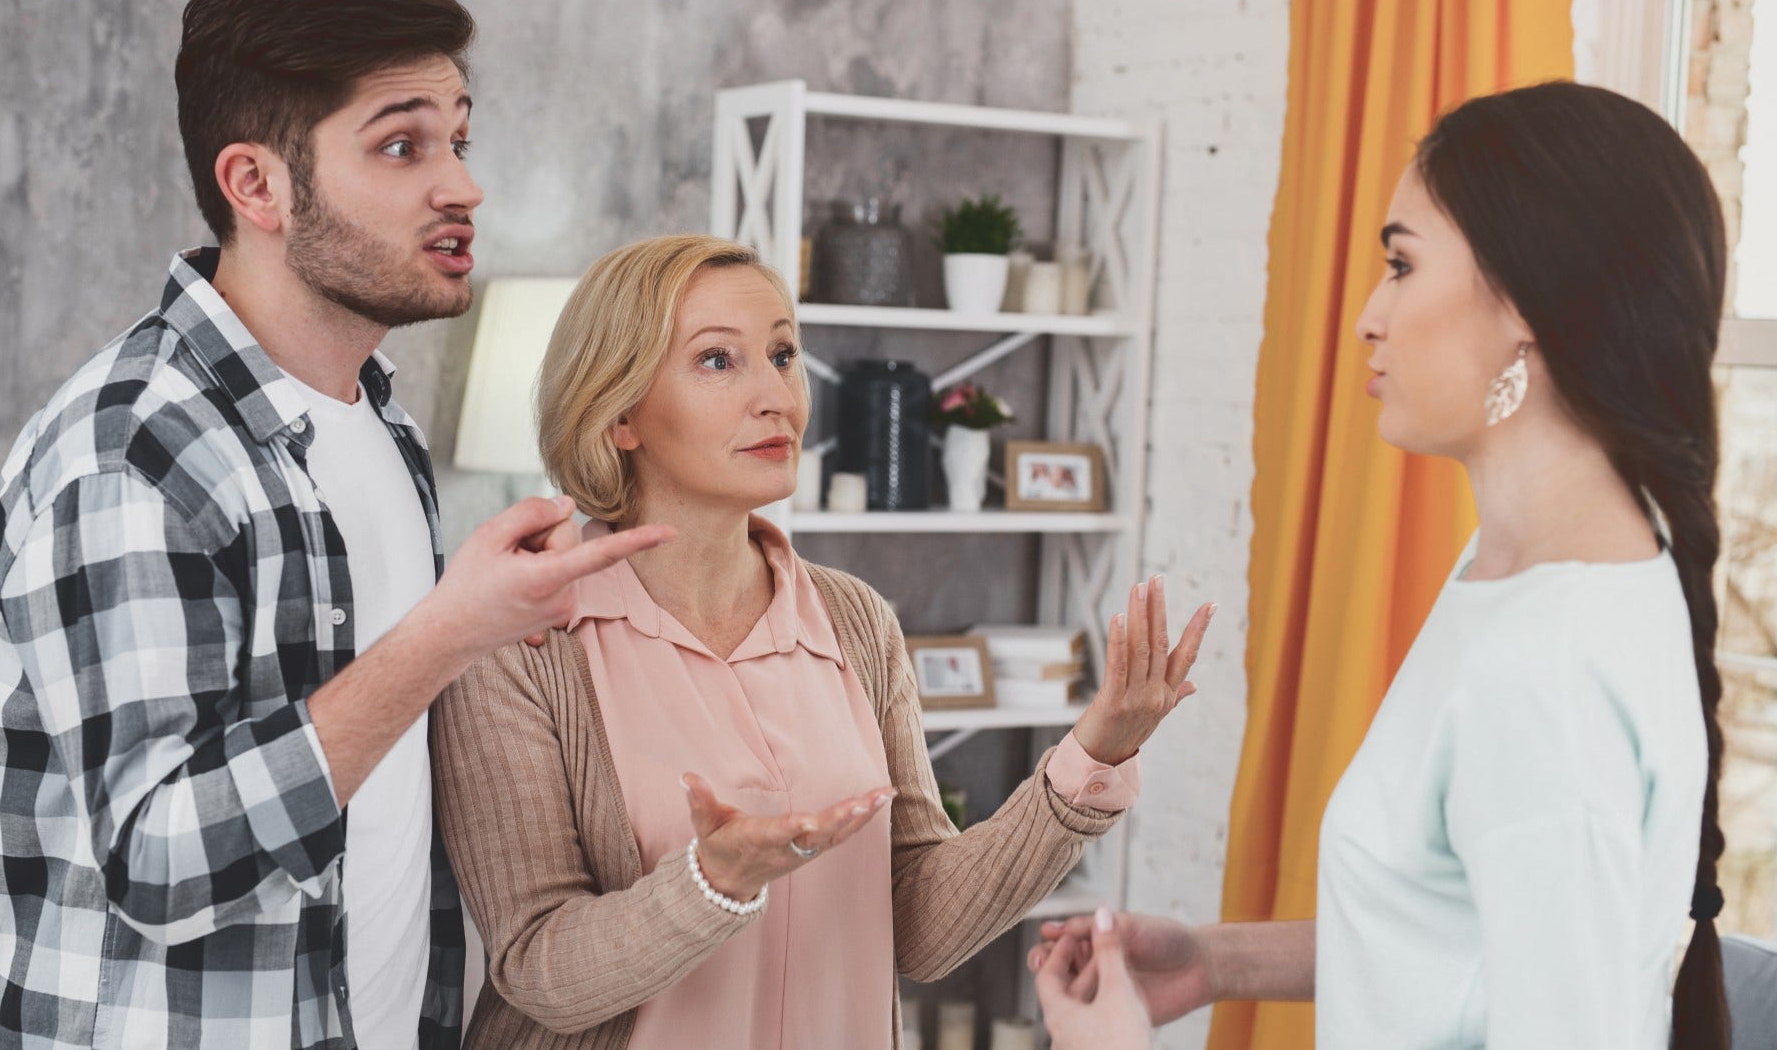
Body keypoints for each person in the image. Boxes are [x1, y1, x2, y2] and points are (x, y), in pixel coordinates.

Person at [0, 0, 669, 1048]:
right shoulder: (131, 455)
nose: (463, 188)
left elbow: (373, 779)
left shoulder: (380, 427)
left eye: (460, 140)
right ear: (256, 183)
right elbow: (159, 860)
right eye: (402, 147)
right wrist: (446, 633)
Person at [1031, 80, 1728, 1048]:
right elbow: (1478, 932)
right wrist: (1219, 961)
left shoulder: (1545, 666)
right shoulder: (1520, 569)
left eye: (1402, 266)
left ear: (1529, 298)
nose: (1369, 315)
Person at [430, 234, 1218, 1049]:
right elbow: (536, 968)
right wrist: (713, 884)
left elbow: (918, 925)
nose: (778, 396)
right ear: (619, 412)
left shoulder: (856, 620)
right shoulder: (519, 642)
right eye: (716, 361)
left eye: (782, 355)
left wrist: (1094, 756)